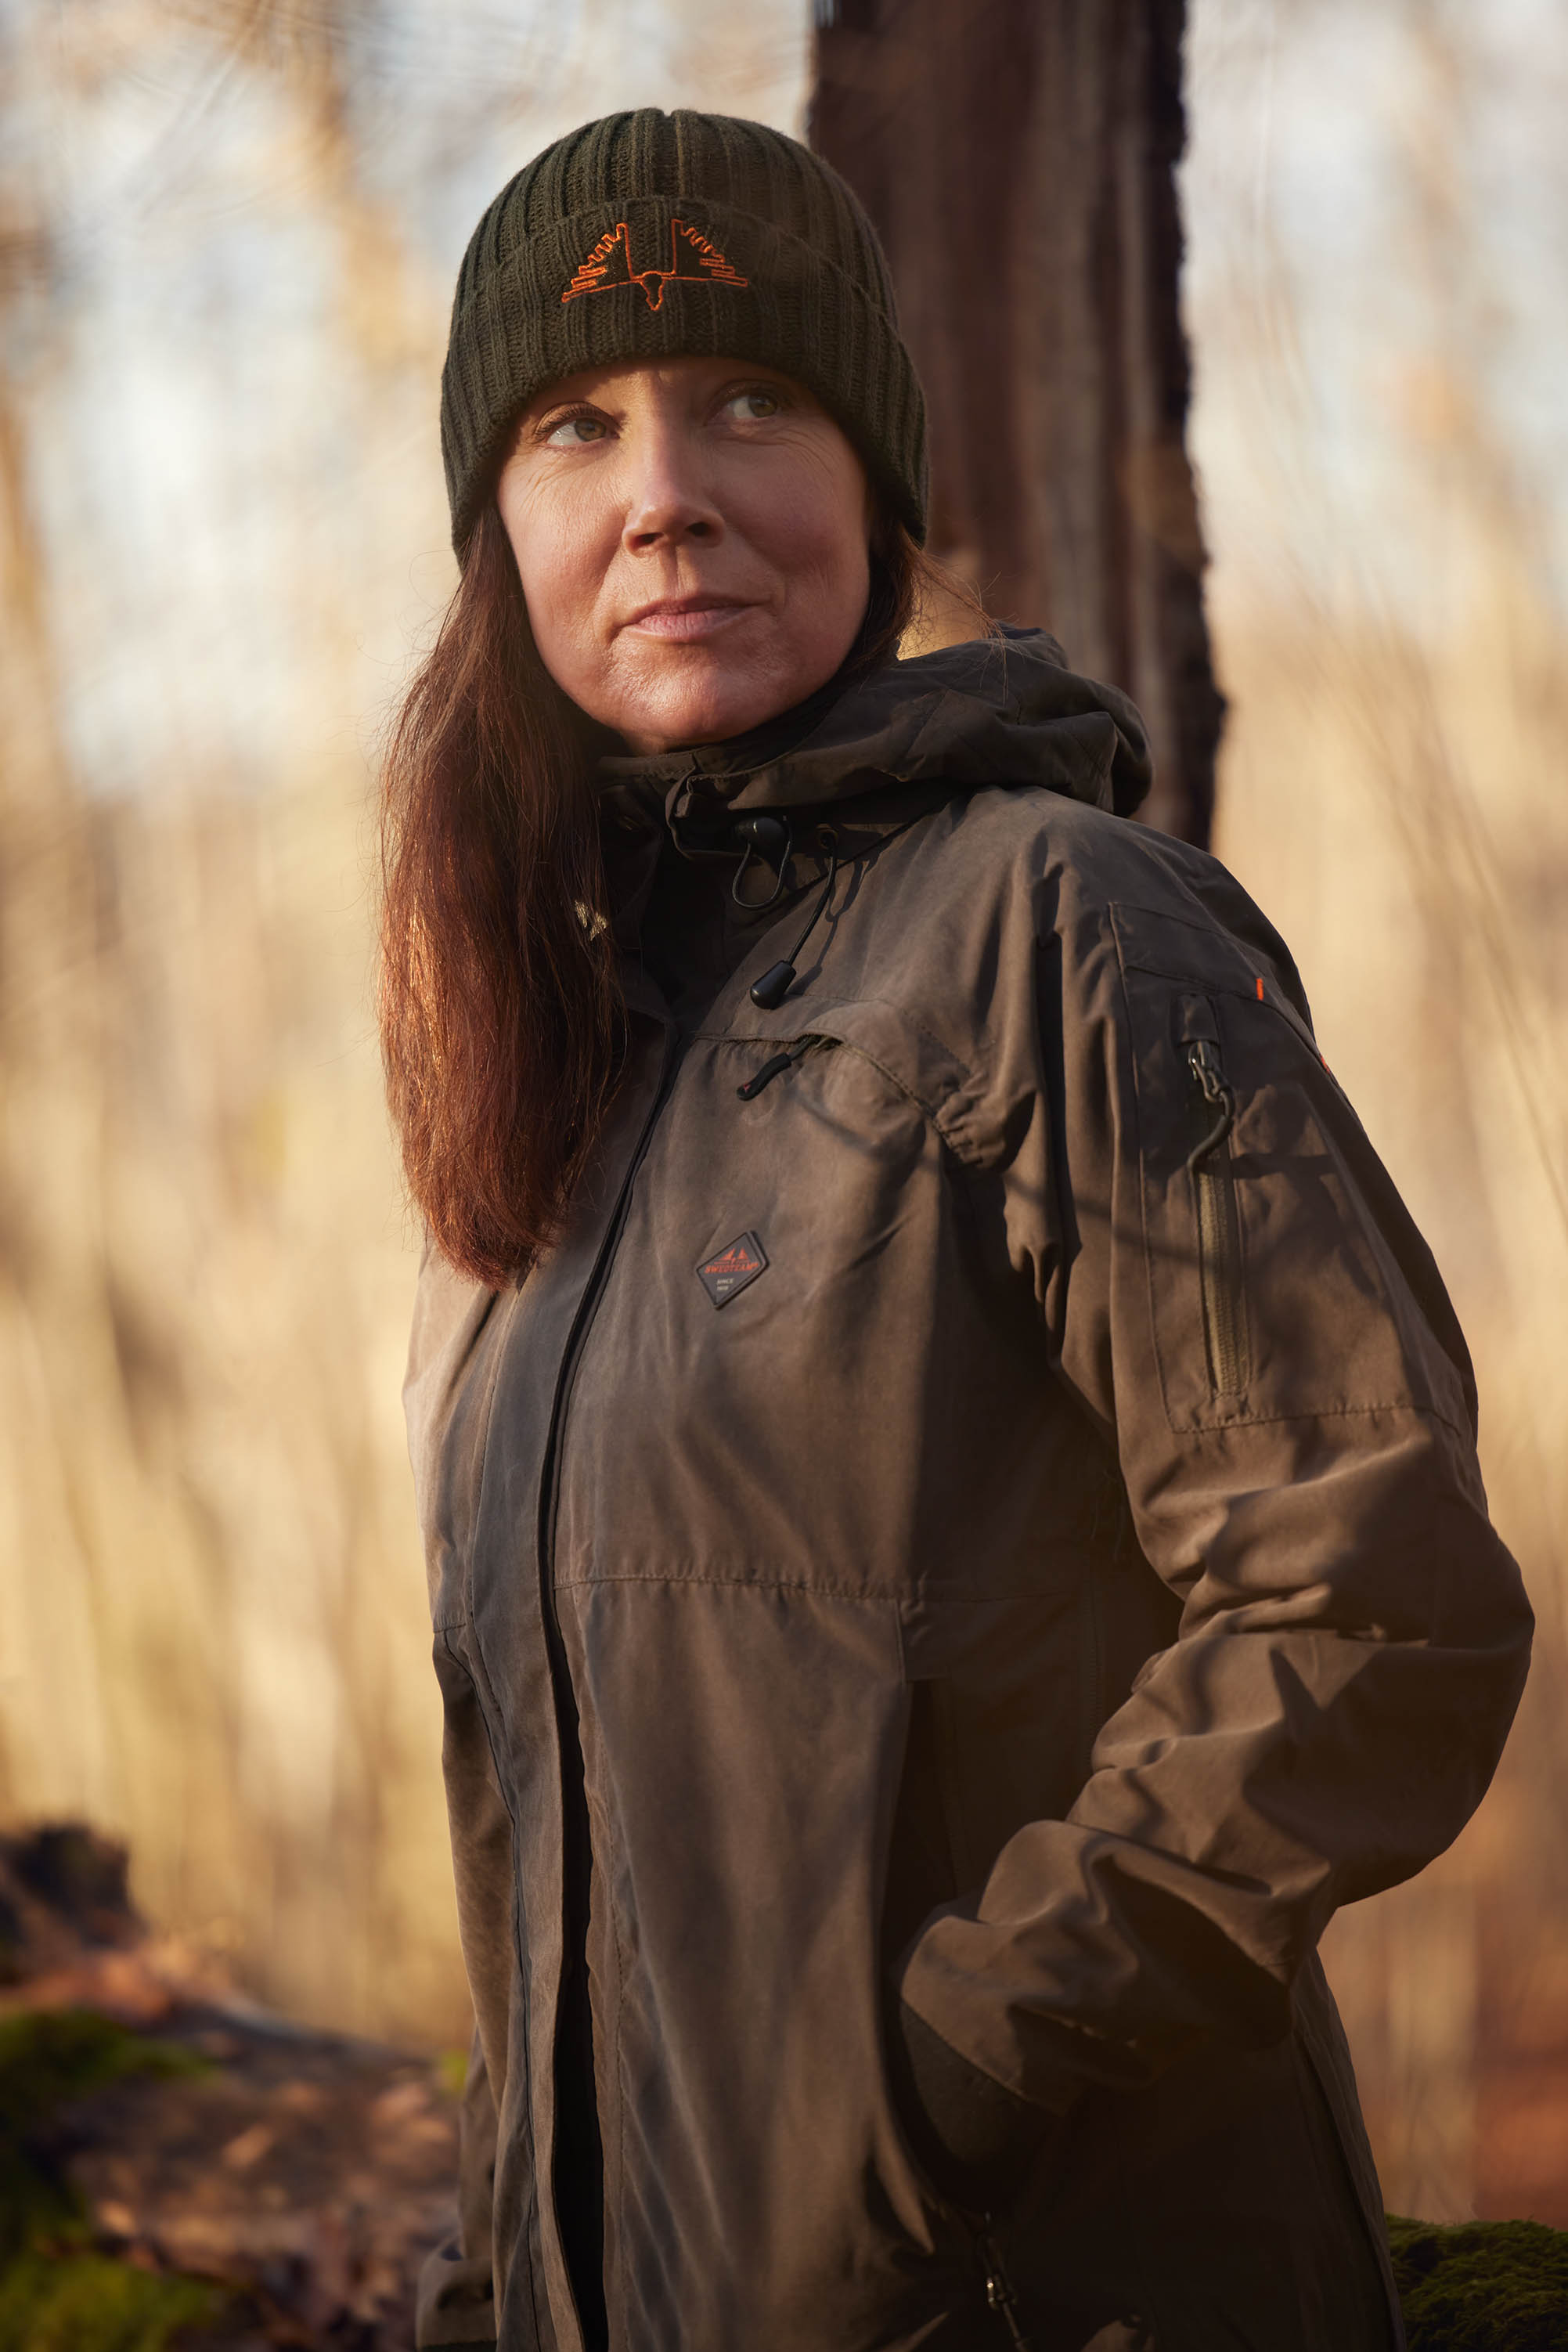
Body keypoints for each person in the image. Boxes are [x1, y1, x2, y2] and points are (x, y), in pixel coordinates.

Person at [382, 110, 1532, 2352]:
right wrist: (500, 2280)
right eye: (574, 426)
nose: (662, 492)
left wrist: (925, 2116)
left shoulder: (1058, 928)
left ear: (876, 486)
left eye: (750, 399)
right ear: (495, 531)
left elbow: (1371, 1600)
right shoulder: (555, 1071)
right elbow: (548, 1856)